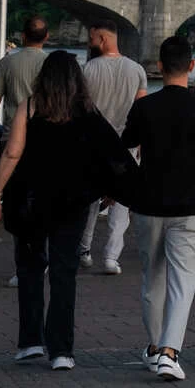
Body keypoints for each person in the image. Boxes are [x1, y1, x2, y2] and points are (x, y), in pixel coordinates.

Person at [0, 50, 135, 371]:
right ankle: (61, 350)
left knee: (30, 268)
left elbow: (12, 153)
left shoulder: (30, 107)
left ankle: (30, 341)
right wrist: (114, 188)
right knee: (64, 272)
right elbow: (111, 151)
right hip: (72, 202)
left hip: (30, 201)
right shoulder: (87, 112)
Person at [123, 37, 195, 380]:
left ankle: (155, 348)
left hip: (148, 205)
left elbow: (125, 146)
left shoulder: (145, 108)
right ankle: (170, 351)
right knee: (183, 280)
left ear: (159, 67)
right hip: (190, 207)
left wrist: (123, 188)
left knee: (152, 278)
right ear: (192, 66)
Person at [78, 24, 147, 275]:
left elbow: (81, 109)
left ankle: (84, 250)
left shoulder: (87, 70)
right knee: (122, 204)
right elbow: (140, 111)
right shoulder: (137, 70)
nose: (89, 43)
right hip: (126, 145)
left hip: (94, 144)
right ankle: (111, 257)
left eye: (92, 38)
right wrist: (140, 143)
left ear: (103, 38)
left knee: (90, 199)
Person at [0, 16, 50, 157]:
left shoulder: (6, 63)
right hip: (42, 137)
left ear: (23, 36)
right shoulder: (51, 64)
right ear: (46, 37)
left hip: (11, 136)